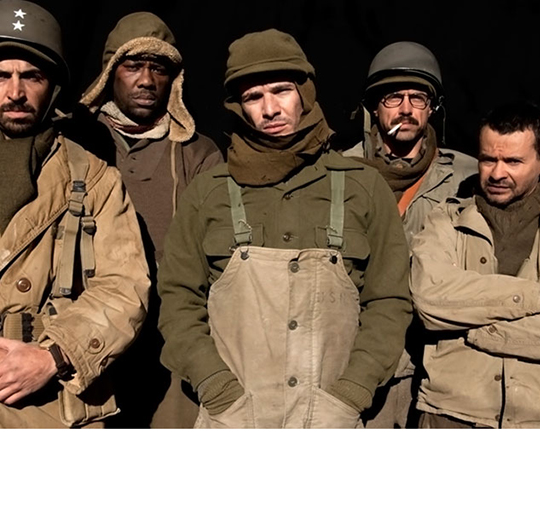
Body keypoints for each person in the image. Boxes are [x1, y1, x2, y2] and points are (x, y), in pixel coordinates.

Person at [157, 28, 412, 428]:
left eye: (281, 91)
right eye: (253, 97)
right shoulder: (208, 193)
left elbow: (389, 302)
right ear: (239, 107)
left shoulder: (363, 187)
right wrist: (216, 388)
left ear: (304, 93)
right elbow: (178, 300)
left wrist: (351, 394)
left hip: (332, 422)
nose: (270, 109)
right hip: (233, 421)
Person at [0, 0, 149, 428]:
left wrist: (53, 355)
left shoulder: (96, 178)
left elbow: (126, 286)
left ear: (53, 86)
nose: (15, 92)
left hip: (53, 405)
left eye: (31, 76)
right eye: (0, 75)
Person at [78, 12, 223, 428]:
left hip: (168, 341)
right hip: (87, 334)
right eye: (133, 66)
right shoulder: (75, 143)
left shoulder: (199, 154)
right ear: (110, 73)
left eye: (158, 68)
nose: (146, 80)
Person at [411, 101, 540, 428]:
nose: (497, 173)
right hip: (450, 414)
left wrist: (480, 330)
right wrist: (539, 298)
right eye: (488, 159)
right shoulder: (446, 220)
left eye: (513, 161)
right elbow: (429, 298)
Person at [343, 41, 477, 428]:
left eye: (418, 98)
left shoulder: (468, 177)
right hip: (360, 353)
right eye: (393, 97)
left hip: (441, 358)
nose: (406, 109)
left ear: (432, 108)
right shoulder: (339, 173)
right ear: (374, 107)